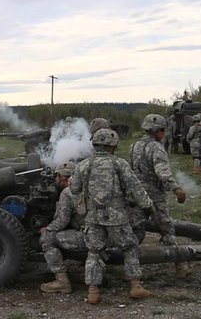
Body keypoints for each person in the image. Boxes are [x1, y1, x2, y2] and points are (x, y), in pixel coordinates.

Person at [69, 128, 156, 303]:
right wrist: (149, 206)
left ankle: (93, 291)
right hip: (117, 216)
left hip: (93, 216)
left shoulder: (84, 165)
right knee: (130, 247)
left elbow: (73, 188)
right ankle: (135, 286)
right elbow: (135, 188)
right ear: (111, 146)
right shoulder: (119, 164)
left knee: (94, 251)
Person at [128, 114, 188, 278]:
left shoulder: (133, 146)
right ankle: (180, 265)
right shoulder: (156, 147)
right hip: (154, 195)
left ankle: (130, 270)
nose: (164, 133)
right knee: (167, 228)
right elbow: (162, 171)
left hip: (136, 194)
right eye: (162, 130)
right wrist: (175, 188)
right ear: (155, 131)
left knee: (137, 231)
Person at [39, 161, 85, 294]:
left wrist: (46, 229)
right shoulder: (87, 186)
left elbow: (61, 222)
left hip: (88, 237)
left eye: (57, 176)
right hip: (101, 234)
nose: (55, 179)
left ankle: (62, 282)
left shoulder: (68, 192)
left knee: (47, 238)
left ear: (65, 177)